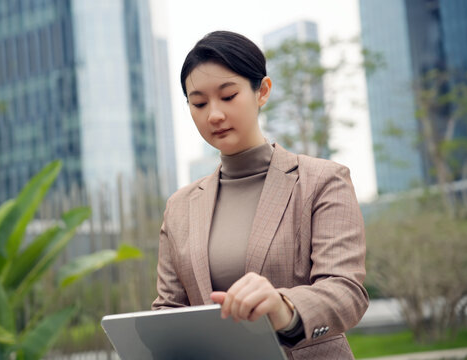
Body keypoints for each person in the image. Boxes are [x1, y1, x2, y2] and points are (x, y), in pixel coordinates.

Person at [152, 30, 368, 359]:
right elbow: (169, 311)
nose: (214, 115)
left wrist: (284, 308)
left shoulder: (323, 181)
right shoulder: (179, 208)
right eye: (198, 103)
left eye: (227, 96)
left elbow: (346, 291)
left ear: (262, 91)